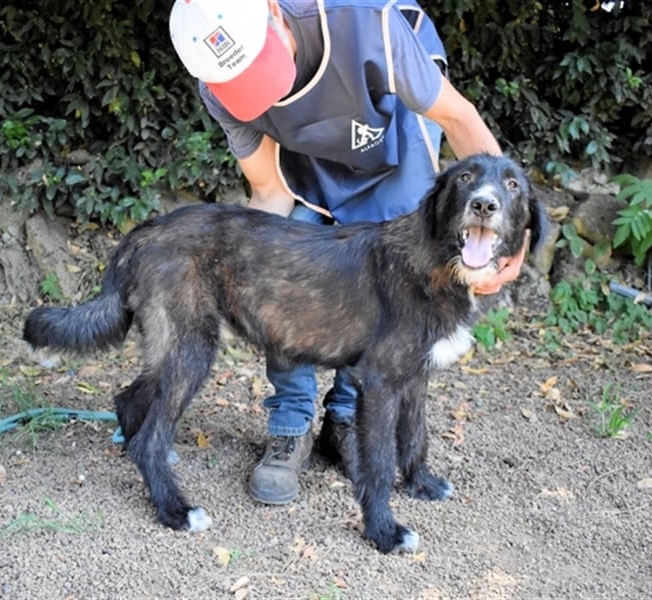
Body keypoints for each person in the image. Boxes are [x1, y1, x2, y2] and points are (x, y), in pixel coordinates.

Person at [169, 0, 529, 505]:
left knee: (390, 285)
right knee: (289, 272)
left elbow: (458, 117)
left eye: (260, 65)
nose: (256, 85)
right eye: (241, 80)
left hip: (393, 134)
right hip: (315, 161)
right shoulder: (223, 89)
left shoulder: (366, 20)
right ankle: (289, 426)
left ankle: (344, 422)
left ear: (273, 12)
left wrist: (514, 236)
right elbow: (269, 191)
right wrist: (255, 267)